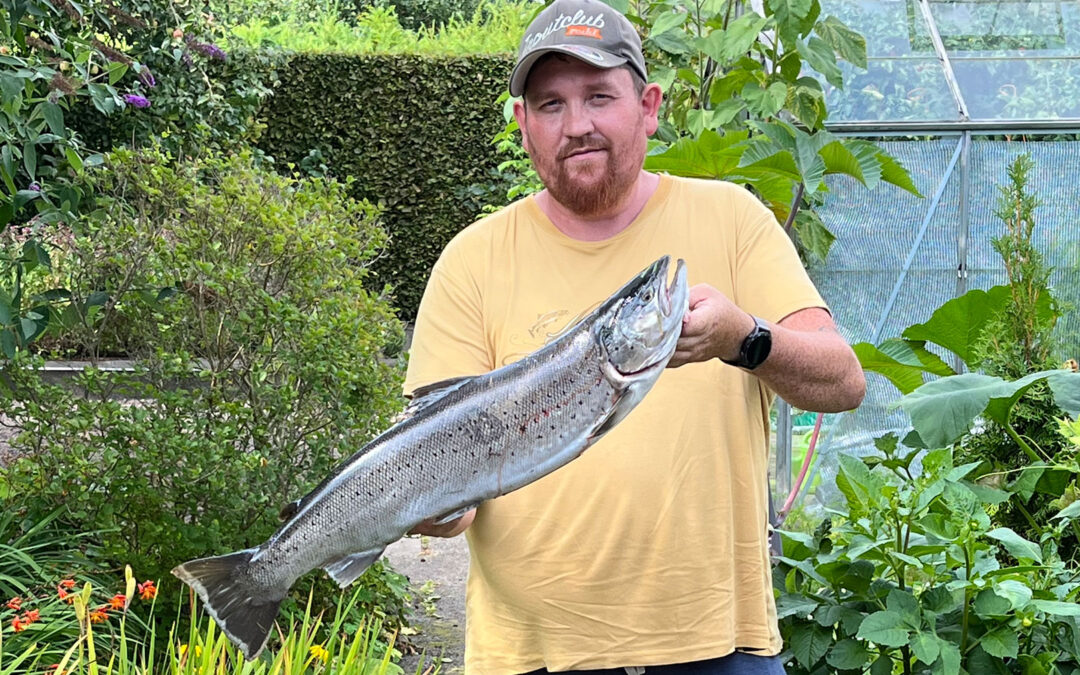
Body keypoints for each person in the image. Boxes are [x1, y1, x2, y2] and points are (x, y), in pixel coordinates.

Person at [403, 0, 865, 672]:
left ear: (648, 107)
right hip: (532, 657)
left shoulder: (732, 218)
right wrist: (431, 506)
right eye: (551, 104)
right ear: (523, 126)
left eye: (599, 96)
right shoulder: (471, 261)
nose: (577, 124)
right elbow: (456, 504)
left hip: (717, 648)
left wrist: (746, 339)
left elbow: (843, 381)